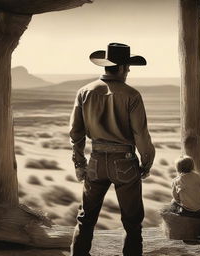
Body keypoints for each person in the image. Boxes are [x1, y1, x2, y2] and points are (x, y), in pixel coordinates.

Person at [69, 43, 155, 256]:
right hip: (124, 161)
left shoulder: (84, 92)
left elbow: (75, 133)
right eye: (127, 67)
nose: (128, 71)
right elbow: (140, 134)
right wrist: (146, 161)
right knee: (132, 220)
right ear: (121, 67)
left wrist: (80, 163)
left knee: (86, 217)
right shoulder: (132, 95)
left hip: (96, 160)